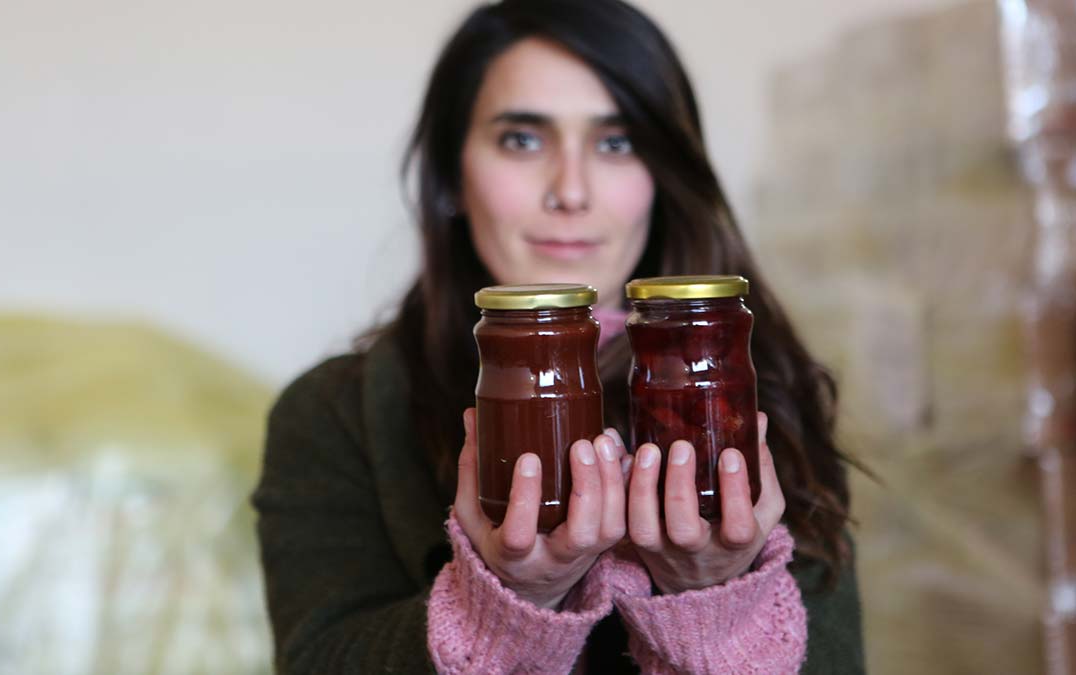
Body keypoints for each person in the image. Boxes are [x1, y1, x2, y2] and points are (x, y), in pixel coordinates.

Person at [251, 0, 864, 672]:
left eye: (616, 141)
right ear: (451, 174)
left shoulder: (766, 393)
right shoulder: (338, 415)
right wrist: (503, 604)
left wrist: (718, 609)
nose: (571, 191)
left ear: (663, 176)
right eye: (522, 138)